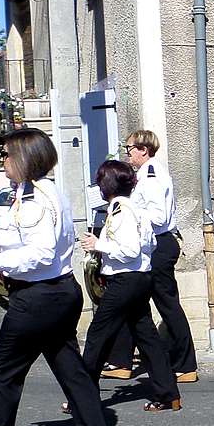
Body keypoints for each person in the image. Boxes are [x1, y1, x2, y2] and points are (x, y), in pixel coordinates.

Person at [0, 128, 117, 426]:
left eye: (7, 154)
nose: (2, 160)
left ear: (25, 158)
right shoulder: (35, 192)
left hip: (38, 298)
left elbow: (41, 252)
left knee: (3, 376)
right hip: (55, 294)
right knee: (73, 375)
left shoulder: (36, 198)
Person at [79, 159, 179, 412]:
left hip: (124, 280)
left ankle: (82, 397)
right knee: (147, 338)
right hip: (140, 278)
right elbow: (150, 245)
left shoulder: (121, 212)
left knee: (97, 336)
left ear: (106, 185)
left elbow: (130, 250)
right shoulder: (136, 209)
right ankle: (168, 394)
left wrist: (98, 245)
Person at [114, 130, 199, 384]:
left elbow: (158, 217)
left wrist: (131, 216)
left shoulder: (150, 176)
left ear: (144, 149)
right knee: (133, 302)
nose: (127, 153)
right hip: (152, 245)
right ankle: (121, 360)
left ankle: (185, 364)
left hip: (159, 245)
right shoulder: (144, 174)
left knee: (167, 305)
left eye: (130, 148)